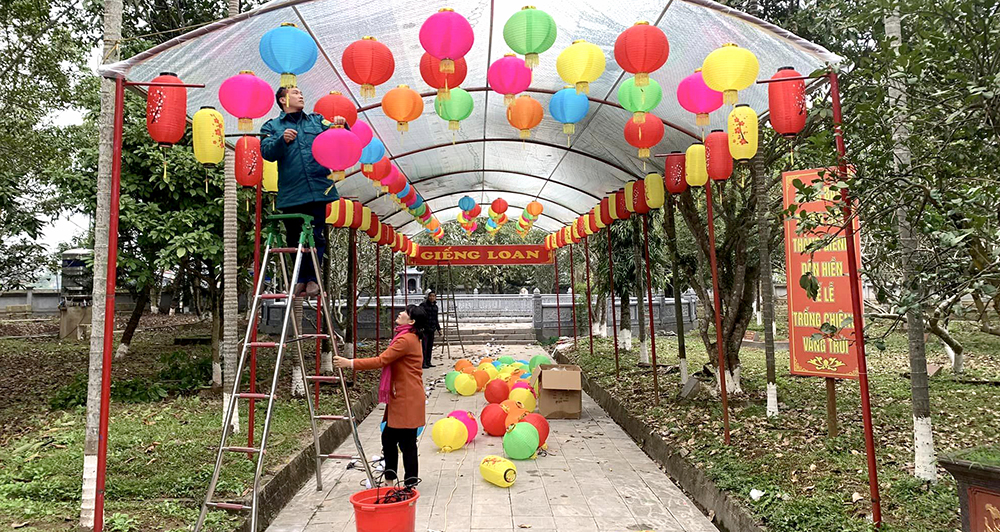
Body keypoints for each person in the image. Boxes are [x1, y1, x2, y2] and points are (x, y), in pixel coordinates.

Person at [260, 86, 347, 297]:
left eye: (301, 92)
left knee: (316, 236)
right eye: (295, 92)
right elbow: (266, 151)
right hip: (291, 191)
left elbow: (339, 139)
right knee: (293, 238)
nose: (301, 95)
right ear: (282, 100)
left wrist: (342, 125)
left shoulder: (317, 120)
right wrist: (282, 140)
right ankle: (301, 278)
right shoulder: (272, 126)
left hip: (318, 188)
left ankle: (313, 280)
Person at [334, 304, 428, 487]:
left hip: (406, 397)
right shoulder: (408, 337)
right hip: (405, 395)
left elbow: (381, 360)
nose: (400, 313)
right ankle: (401, 481)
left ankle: (399, 482)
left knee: (396, 440)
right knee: (402, 441)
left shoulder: (405, 340)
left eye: (405, 313)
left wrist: (349, 363)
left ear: (412, 321)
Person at [419, 291, 440, 369]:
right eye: (430, 296)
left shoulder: (435, 307)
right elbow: (419, 316)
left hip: (432, 329)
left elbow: (436, 319)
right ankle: (423, 362)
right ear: (428, 297)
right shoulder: (423, 306)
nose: (432, 298)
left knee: (430, 346)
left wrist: (438, 329)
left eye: (433, 296)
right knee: (424, 346)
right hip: (425, 330)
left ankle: (428, 361)